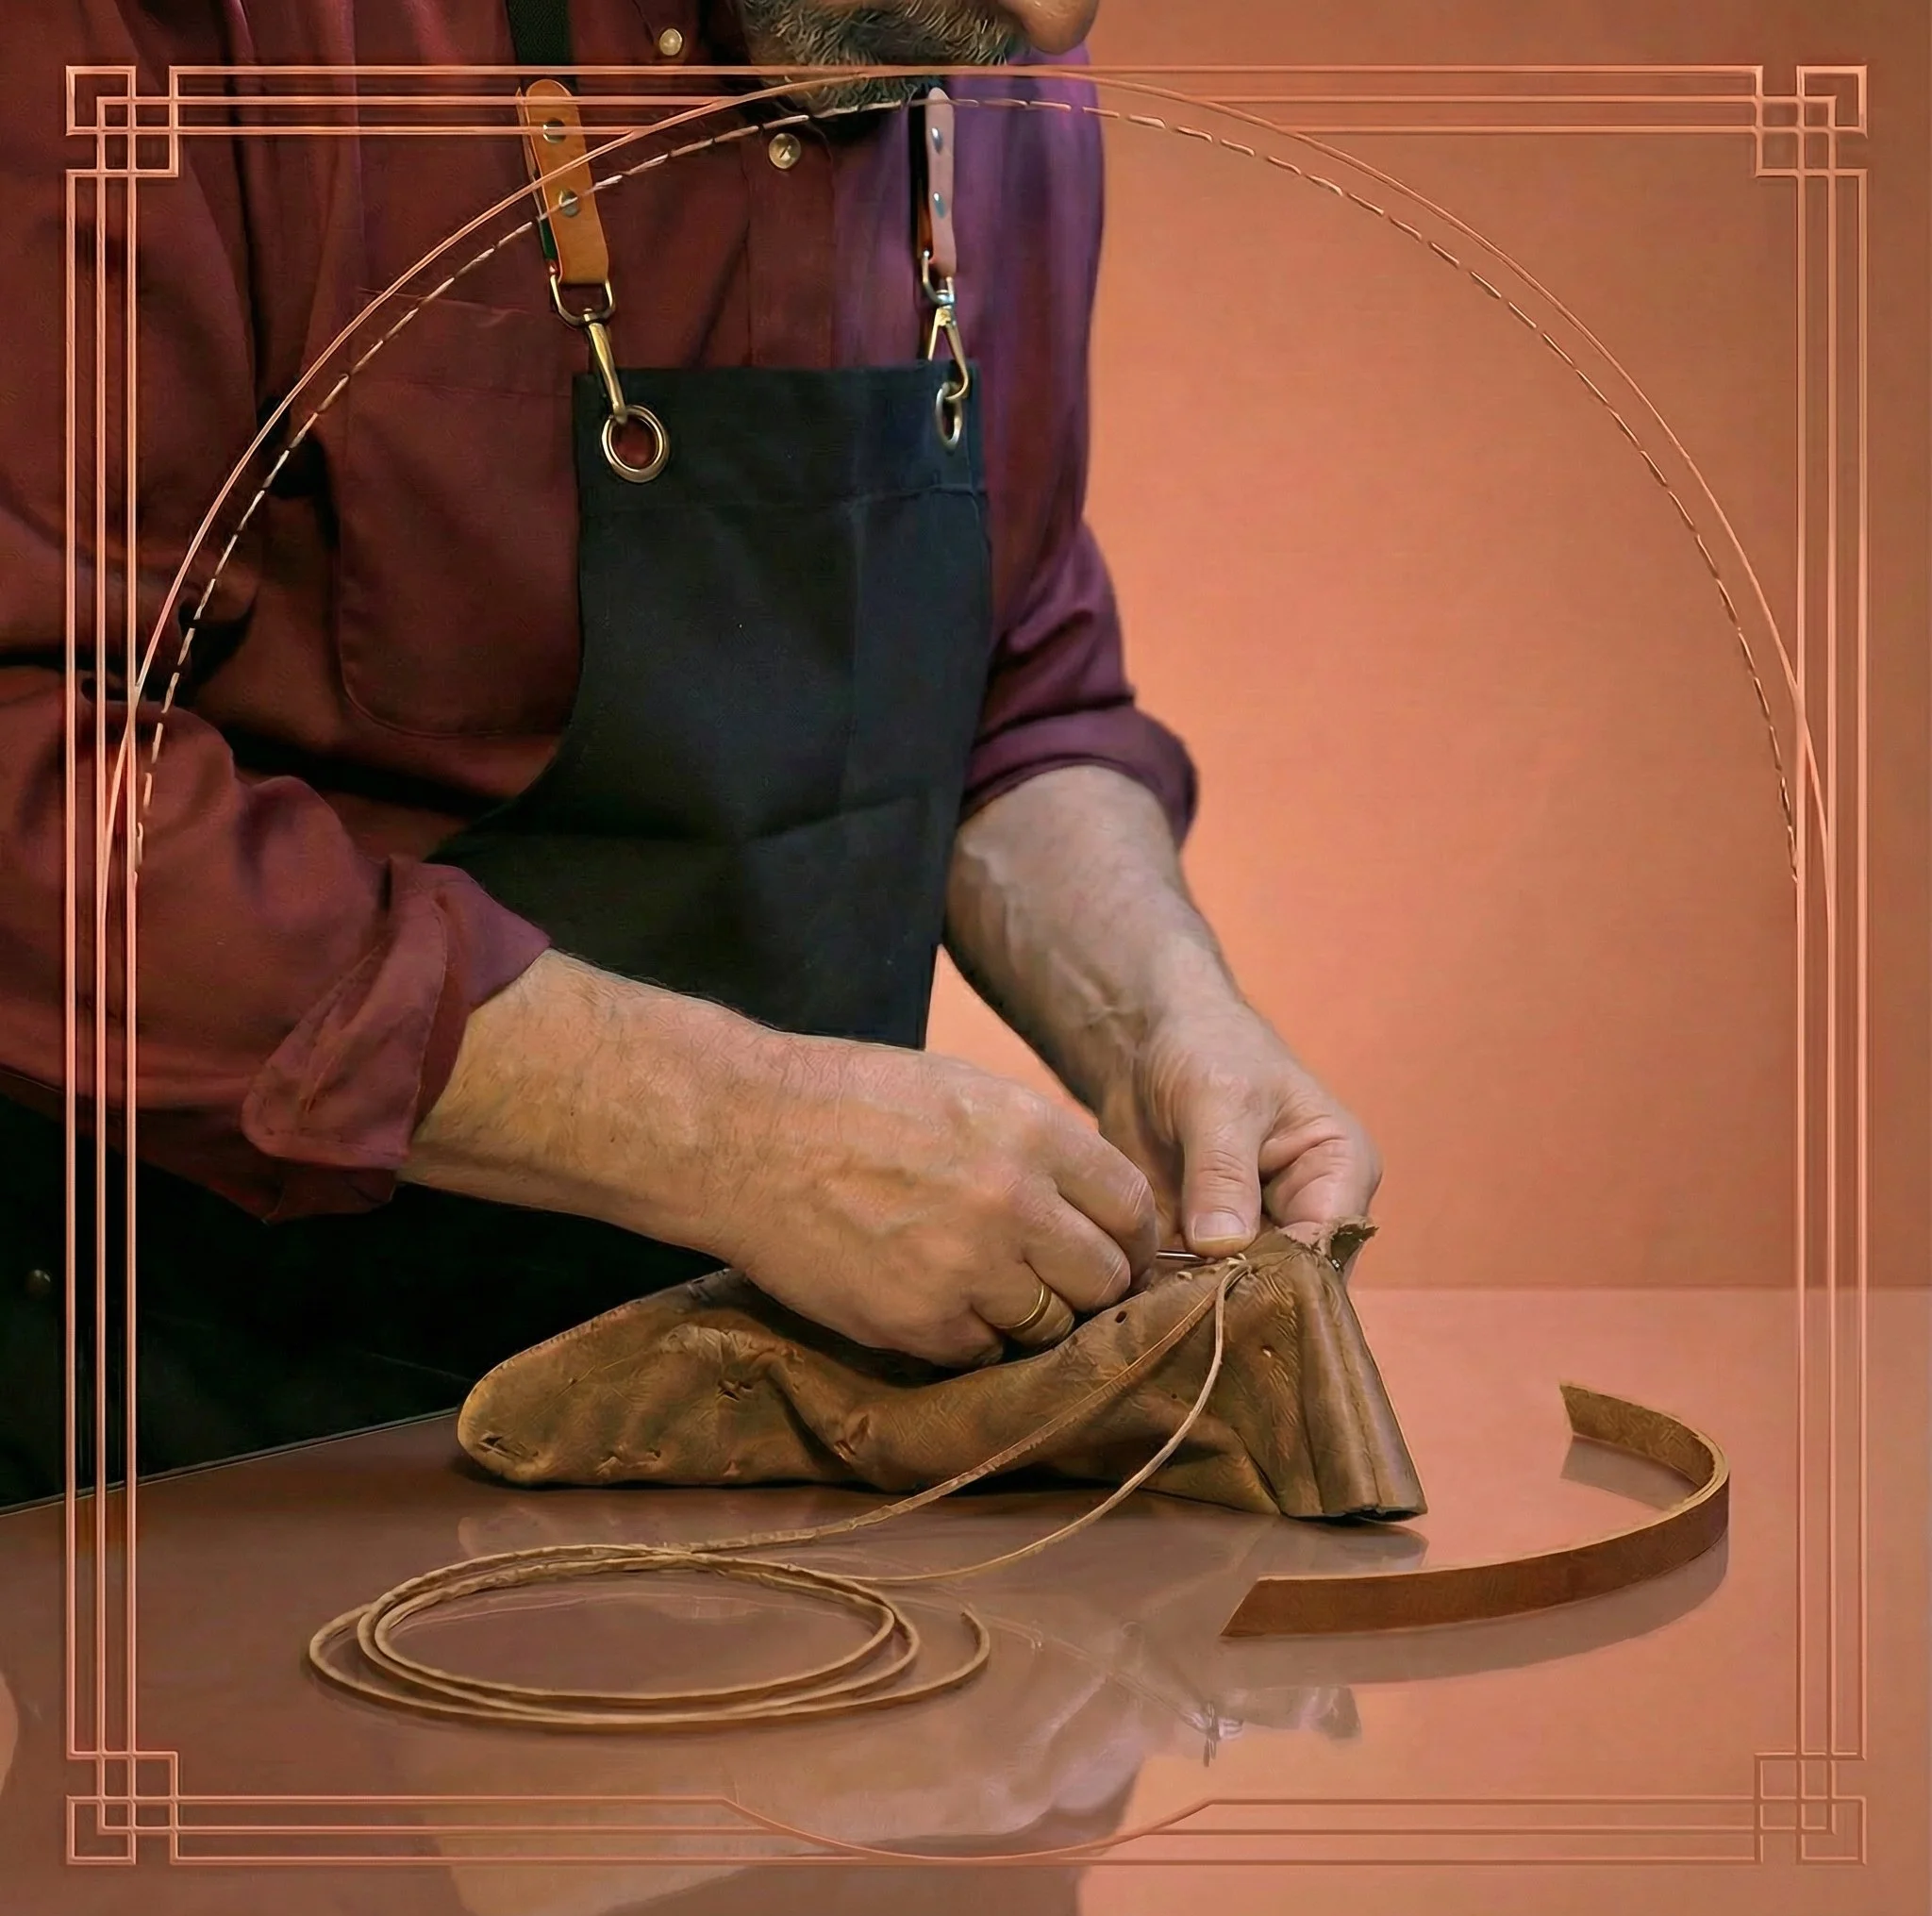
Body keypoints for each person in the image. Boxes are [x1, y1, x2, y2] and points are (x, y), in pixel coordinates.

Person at [0, 0, 1379, 1510]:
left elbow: (1012, 691)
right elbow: (31, 782)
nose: (1055, 20)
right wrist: (733, 1133)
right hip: (207, 1427)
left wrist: (1158, 1018)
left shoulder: (984, 40)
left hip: (781, 1447)